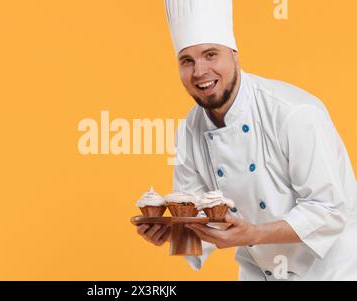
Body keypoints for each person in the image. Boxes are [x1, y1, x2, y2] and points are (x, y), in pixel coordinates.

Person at [136, 0, 357, 280]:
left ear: (234, 55)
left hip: (332, 269)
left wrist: (252, 233)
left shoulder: (294, 113)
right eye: (187, 61)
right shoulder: (189, 131)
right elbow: (199, 217)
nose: (199, 72)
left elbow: (329, 210)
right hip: (260, 270)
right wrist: (173, 232)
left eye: (210, 54)